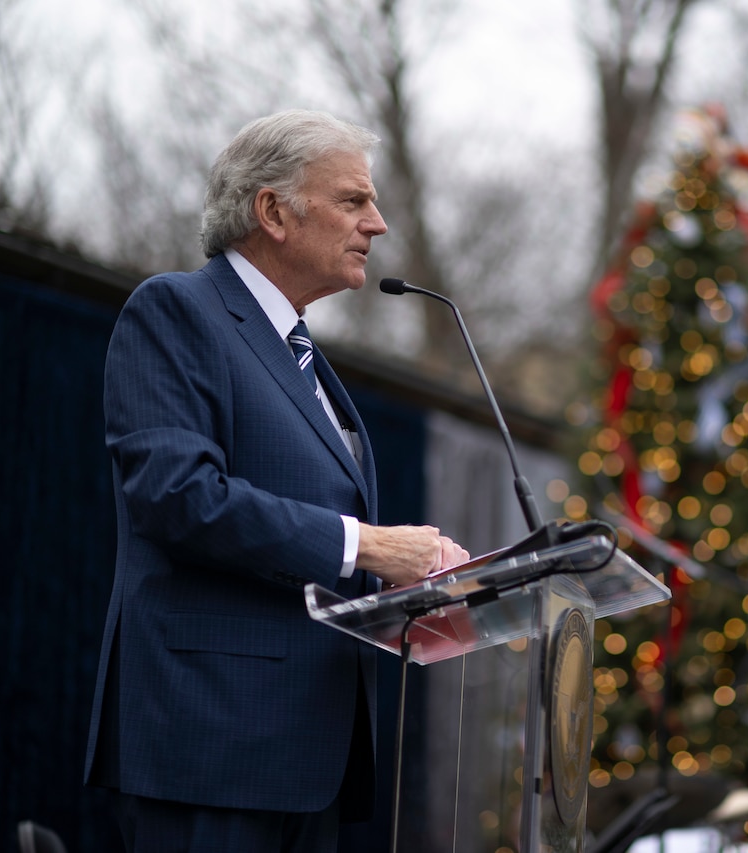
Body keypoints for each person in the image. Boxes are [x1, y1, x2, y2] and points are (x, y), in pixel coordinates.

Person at [84, 109, 469, 852]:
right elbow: (178, 496)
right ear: (273, 211)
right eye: (354, 200)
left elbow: (313, 542)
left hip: (310, 753)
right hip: (211, 746)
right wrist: (368, 547)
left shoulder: (298, 350)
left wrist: (410, 593)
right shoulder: (176, 312)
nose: (379, 223)